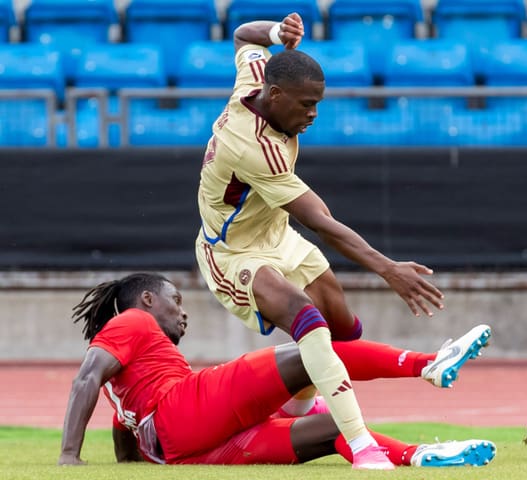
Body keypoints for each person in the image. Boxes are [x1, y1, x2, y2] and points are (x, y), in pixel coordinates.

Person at [193, 12, 464, 468]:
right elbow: (319, 219)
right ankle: (363, 447)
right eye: (306, 104)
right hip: (231, 252)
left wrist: (278, 34)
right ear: (275, 96)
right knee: (309, 322)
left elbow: (242, 34)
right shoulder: (253, 147)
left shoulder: (258, 77)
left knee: (343, 329)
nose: (314, 114)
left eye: (318, 103)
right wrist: (387, 268)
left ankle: (297, 408)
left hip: (275, 235)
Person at [58, 273, 495, 469]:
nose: (183, 312)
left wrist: (129, 464)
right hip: (185, 410)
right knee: (312, 349)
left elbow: (124, 427)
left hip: (189, 450)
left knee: (331, 427)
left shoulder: (131, 380)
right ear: (149, 301)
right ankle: (425, 365)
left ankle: (415, 455)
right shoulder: (133, 321)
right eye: (177, 300)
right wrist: (68, 455)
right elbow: (85, 379)